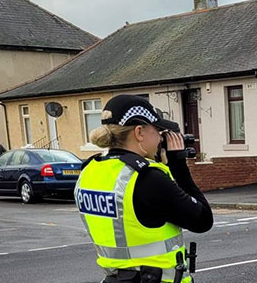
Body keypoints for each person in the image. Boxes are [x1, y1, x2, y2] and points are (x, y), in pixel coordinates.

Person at [75, 94, 212, 283]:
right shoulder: (146, 178)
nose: (159, 139)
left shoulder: (89, 172)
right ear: (139, 132)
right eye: (157, 131)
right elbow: (202, 219)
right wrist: (178, 166)